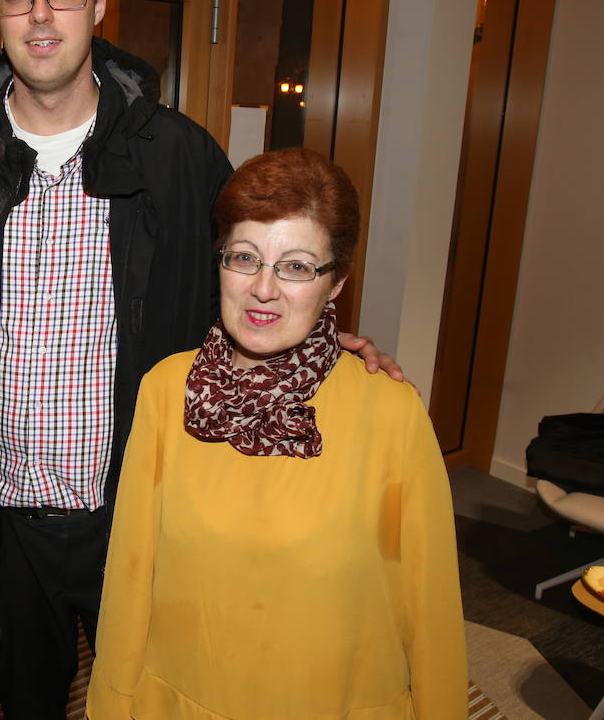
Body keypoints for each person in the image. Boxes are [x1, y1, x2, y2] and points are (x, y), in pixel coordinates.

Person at [0, 0, 404, 718]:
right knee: (26, 700)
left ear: (98, 6)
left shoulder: (182, 158)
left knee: (160, 694)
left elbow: (243, 291)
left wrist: (321, 345)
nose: (40, 13)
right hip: (0, 519)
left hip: (141, 507)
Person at [87, 147, 466, 719]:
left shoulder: (390, 412)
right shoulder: (166, 390)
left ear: (335, 283)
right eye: (244, 258)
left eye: (295, 266)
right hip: (184, 700)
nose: (263, 289)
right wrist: (113, 703)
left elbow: (430, 601)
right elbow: (130, 571)